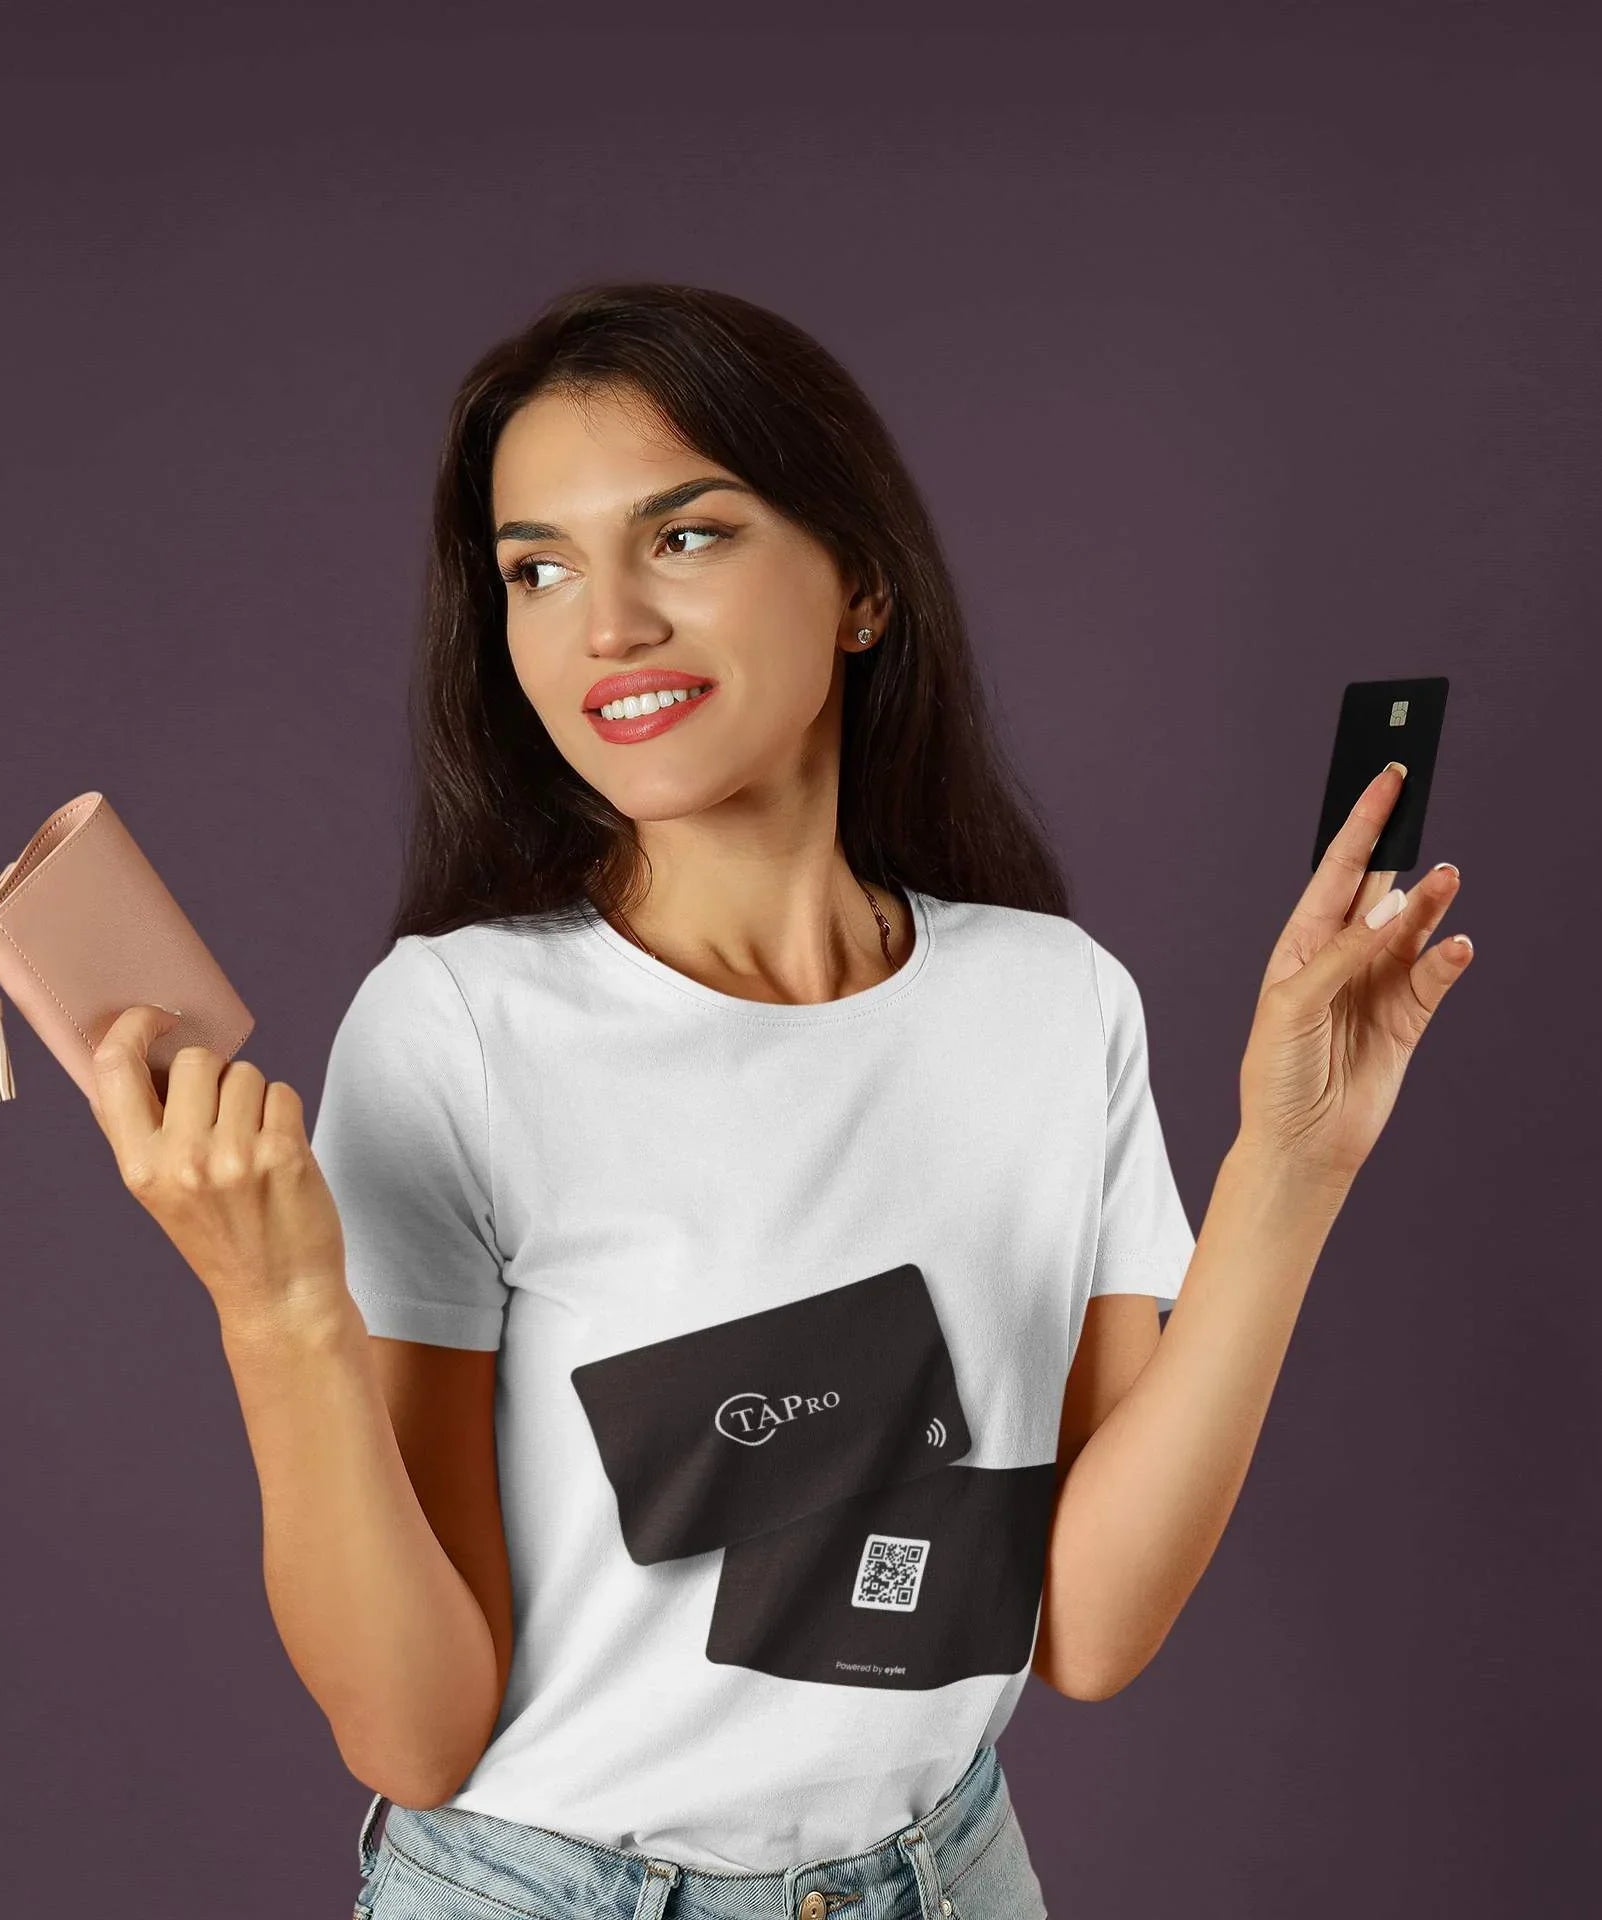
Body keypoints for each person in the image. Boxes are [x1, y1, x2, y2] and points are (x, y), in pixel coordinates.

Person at [86, 282, 1475, 1918]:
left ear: (861, 585)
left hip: (951, 1874)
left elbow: (1092, 1628)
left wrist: (1293, 1166)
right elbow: (413, 1732)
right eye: (538, 569)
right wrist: (277, 1315)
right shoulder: (457, 1027)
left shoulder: (1057, 999)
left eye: (684, 537)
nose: (607, 625)